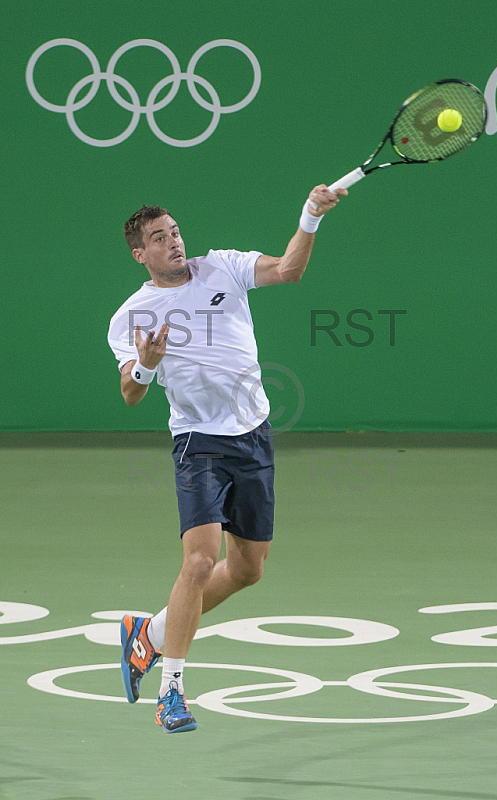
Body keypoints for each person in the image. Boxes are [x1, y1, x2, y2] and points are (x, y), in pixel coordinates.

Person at [107, 184, 347, 733]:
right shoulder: (133, 315)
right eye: (157, 239)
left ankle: (146, 636)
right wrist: (145, 365)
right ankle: (172, 693)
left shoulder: (223, 267)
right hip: (198, 441)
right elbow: (130, 391)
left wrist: (310, 214)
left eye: (173, 232)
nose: (172, 242)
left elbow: (288, 270)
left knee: (247, 568)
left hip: (253, 435)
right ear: (139, 255)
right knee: (197, 561)